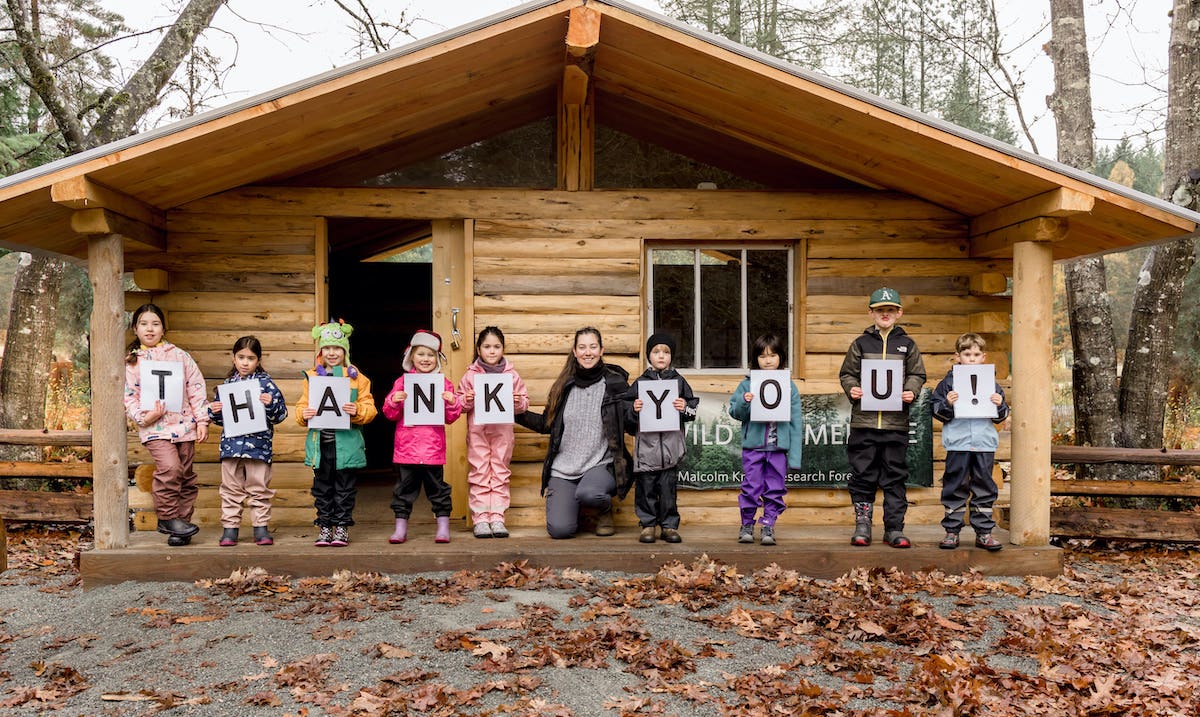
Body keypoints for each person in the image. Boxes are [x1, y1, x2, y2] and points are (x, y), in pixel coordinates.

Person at [516, 327, 633, 539]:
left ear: (601, 350)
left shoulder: (615, 384)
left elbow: (631, 424)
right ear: (574, 351)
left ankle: (603, 510)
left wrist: (638, 411)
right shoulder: (563, 386)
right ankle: (575, 506)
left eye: (593, 347)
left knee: (589, 493)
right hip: (564, 469)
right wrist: (517, 413)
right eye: (582, 347)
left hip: (600, 464)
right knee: (560, 530)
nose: (587, 352)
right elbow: (546, 424)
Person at [839, 287, 927, 549]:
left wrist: (911, 390)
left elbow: (917, 374)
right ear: (871, 313)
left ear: (899, 313)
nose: (885, 314)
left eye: (890, 310)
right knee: (863, 475)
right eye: (880, 310)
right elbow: (847, 374)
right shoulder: (860, 344)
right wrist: (851, 388)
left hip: (895, 424)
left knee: (894, 476)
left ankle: (894, 528)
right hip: (864, 423)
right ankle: (863, 525)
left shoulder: (908, 345)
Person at [123, 303, 210, 547]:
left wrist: (202, 420)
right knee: (171, 468)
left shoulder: (180, 356)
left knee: (186, 477)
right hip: (156, 429)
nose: (149, 329)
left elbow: (195, 388)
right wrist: (144, 417)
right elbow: (129, 396)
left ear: (163, 328)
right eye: (143, 324)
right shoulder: (133, 361)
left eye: (155, 323)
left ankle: (181, 528)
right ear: (135, 328)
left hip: (185, 427)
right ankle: (167, 517)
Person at [296, 320, 376, 547]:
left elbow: (370, 409)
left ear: (345, 351)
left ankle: (341, 527)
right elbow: (300, 407)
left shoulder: (356, 378)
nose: (332, 353)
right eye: (327, 348)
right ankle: (324, 526)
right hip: (320, 445)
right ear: (321, 351)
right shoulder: (312, 377)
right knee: (322, 488)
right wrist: (305, 413)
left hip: (346, 446)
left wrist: (358, 410)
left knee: (344, 489)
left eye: (337, 348)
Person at [383, 329, 463, 544]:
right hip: (406, 449)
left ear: (437, 358)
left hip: (432, 449)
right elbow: (389, 414)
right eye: (421, 354)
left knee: (438, 490)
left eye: (431, 355)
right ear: (411, 356)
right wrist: (394, 400)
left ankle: (443, 527)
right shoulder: (402, 382)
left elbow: (451, 417)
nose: (426, 359)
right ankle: (401, 529)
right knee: (403, 491)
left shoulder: (443, 383)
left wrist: (453, 402)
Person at [931, 333, 1010, 551]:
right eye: (967, 354)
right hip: (958, 442)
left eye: (976, 354)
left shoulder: (991, 384)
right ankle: (951, 531)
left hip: (984, 443)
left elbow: (1001, 416)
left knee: (984, 486)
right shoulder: (948, 383)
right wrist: (948, 404)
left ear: (983, 357)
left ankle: (984, 532)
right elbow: (936, 411)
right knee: (955, 485)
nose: (972, 358)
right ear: (958, 357)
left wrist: (999, 404)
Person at [207, 336, 289, 547]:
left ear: (258, 360)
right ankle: (230, 529)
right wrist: (214, 411)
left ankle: (261, 528)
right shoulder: (227, 385)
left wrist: (271, 405)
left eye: (250, 358)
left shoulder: (266, 385)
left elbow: (280, 415)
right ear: (233, 358)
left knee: (259, 487)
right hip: (231, 447)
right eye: (241, 357)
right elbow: (220, 419)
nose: (245, 362)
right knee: (230, 489)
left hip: (258, 448)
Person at [728, 333, 803, 546]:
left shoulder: (789, 386)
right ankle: (747, 524)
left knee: (775, 487)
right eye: (762, 356)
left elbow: (796, 423)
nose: (768, 360)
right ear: (755, 359)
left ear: (781, 357)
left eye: (772, 355)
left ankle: (769, 524)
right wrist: (745, 401)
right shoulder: (746, 385)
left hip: (778, 449)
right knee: (751, 486)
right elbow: (734, 412)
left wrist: (795, 457)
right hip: (753, 448)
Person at [624, 332, 698, 544]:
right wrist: (634, 409)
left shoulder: (679, 381)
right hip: (647, 449)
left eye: (666, 352)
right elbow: (627, 414)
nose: (661, 356)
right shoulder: (640, 383)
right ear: (649, 356)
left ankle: (668, 526)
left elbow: (692, 408)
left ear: (671, 356)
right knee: (645, 488)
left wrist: (684, 407)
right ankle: (648, 525)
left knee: (668, 490)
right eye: (656, 352)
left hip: (670, 449)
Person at [457, 326, 529, 539]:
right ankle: (480, 517)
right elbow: (459, 404)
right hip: (478, 432)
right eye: (487, 346)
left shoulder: (512, 375)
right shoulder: (470, 375)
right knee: (479, 471)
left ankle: (497, 516)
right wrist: (466, 399)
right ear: (479, 349)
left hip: (502, 433)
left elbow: (524, 402)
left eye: (496, 347)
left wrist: (518, 403)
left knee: (500, 471)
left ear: (503, 349)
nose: (492, 351)